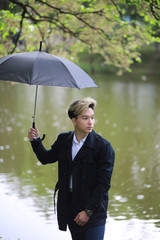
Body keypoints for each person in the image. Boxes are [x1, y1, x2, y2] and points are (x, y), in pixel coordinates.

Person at [28, 97, 115, 240]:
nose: (90, 122)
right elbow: (46, 158)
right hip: (71, 206)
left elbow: (104, 184)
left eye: (92, 118)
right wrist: (35, 140)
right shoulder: (64, 140)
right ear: (74, 121)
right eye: (85, 118)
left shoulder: (103, 147)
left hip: (94, 210)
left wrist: (88, 211)